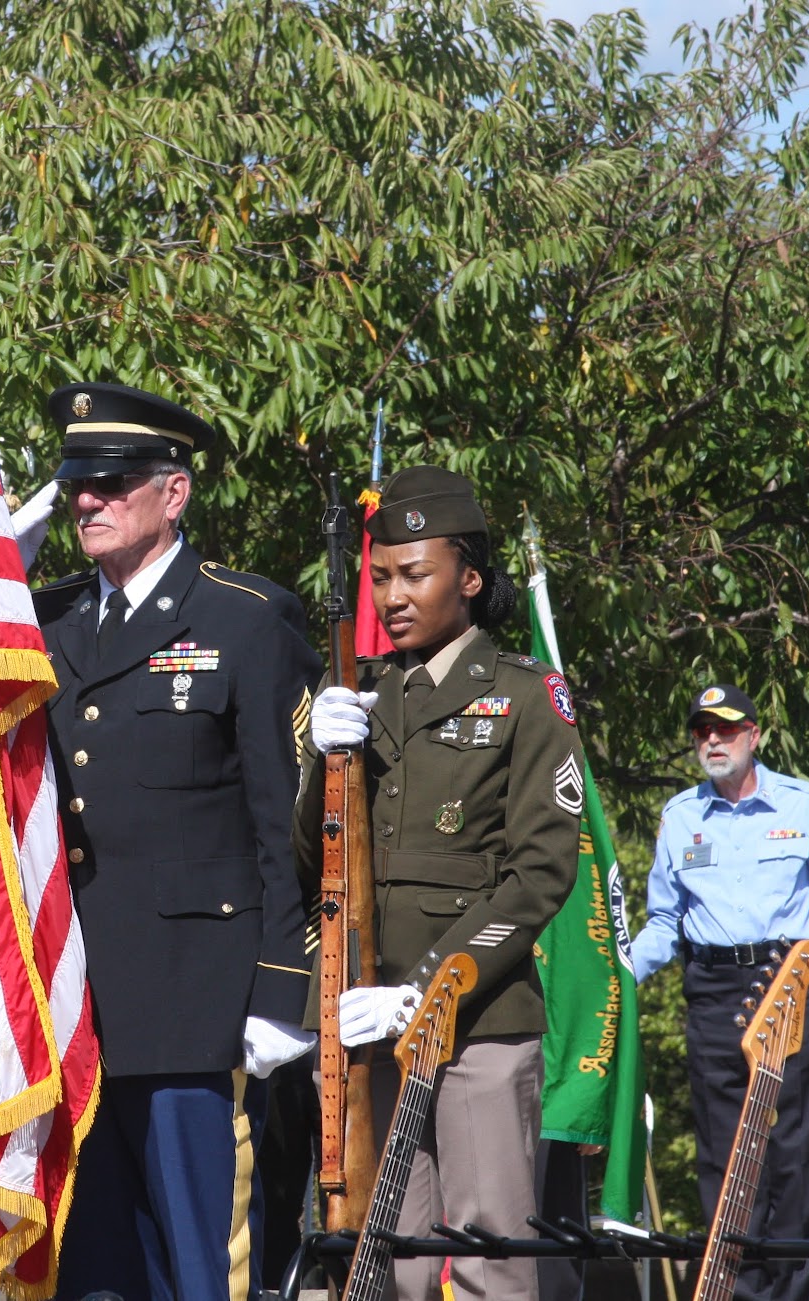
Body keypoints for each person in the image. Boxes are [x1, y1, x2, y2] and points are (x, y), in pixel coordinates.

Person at [32, 381, 320, 1301]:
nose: (88, 500)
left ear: (174, 492)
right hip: (73, 1007)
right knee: (96, 1273)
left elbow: (290, 827)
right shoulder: (45, 621)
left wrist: (285, 991)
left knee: (203, 1268)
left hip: (200, 1001)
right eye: (78, 481)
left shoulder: (244, 618)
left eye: (112, 482)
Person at [294, 466, 585, 1301]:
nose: (392, 595)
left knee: (492, 1257)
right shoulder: (365, 693)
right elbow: (316, 862)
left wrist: (424, 990)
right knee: (395, 1265)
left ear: (470, 577)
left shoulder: (526, 697)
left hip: (478, 1024)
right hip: (374, 1028)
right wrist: (321, 760)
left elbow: (537, 878)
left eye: (414, 573)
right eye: (380, 575)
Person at [631, 684, 809, 1301]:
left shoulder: (803, 804)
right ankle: (739, 1294)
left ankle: (794, 1294)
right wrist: (617, 975)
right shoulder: (681, 816)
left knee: (792, 1159)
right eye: (702, 730)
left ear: (753, 736)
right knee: (724, 1161)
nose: (712, 740)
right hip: (711, 991)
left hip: (792, 990)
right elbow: (664, 922)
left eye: (725, 729)